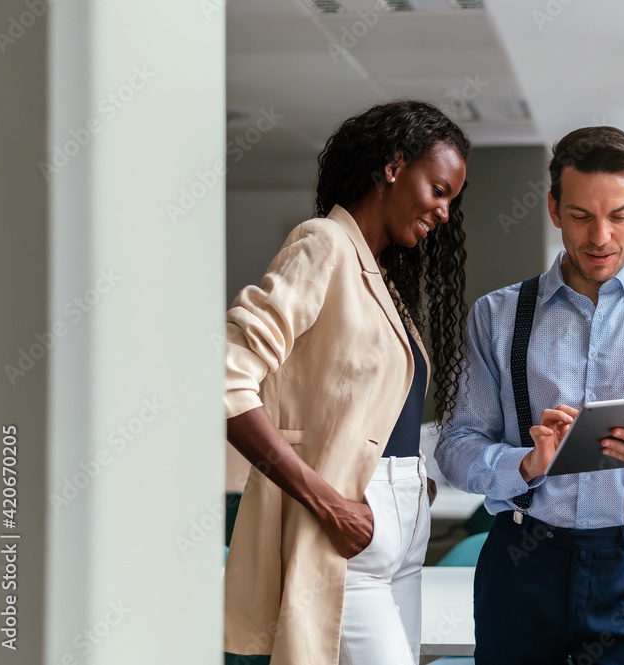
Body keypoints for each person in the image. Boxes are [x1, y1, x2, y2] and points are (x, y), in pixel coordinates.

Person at [436, 126, 624, 664]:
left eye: (619, 215)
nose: (600, 236)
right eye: (580, 216)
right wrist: (524, 463)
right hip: (521, 563)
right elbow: (456, 448)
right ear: (553, 209)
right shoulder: (496, 316)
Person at [223, 100, 471, 665]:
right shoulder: (323, 244)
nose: (444, 212)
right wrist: (326, 502)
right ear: (392, 167)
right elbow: (228, 378)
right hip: (344, 525)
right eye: (439, 190)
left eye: (452, 199)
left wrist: (409, 482)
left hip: (405, 527)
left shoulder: (380, 276)